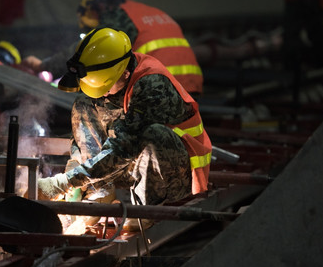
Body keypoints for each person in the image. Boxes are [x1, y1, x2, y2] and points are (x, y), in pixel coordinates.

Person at [37, 28, 212, 234]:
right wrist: (75, 174)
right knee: (85, 103)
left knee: (155, 134)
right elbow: (84, 139)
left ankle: (145, 211)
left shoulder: (152, 86)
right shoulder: (115, 75)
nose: (104, 93)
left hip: (176, 173)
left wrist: (65, 182)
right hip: (133, 165)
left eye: (107, 86)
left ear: (125, 74)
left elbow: (123, 148)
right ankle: (99, 193)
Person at [21, 0, 204, 96]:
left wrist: (44, 66)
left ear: (99, 5)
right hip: (191, 86)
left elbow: (84, 50)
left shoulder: (119, 17)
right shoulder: (147, 11)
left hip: (160, 89)